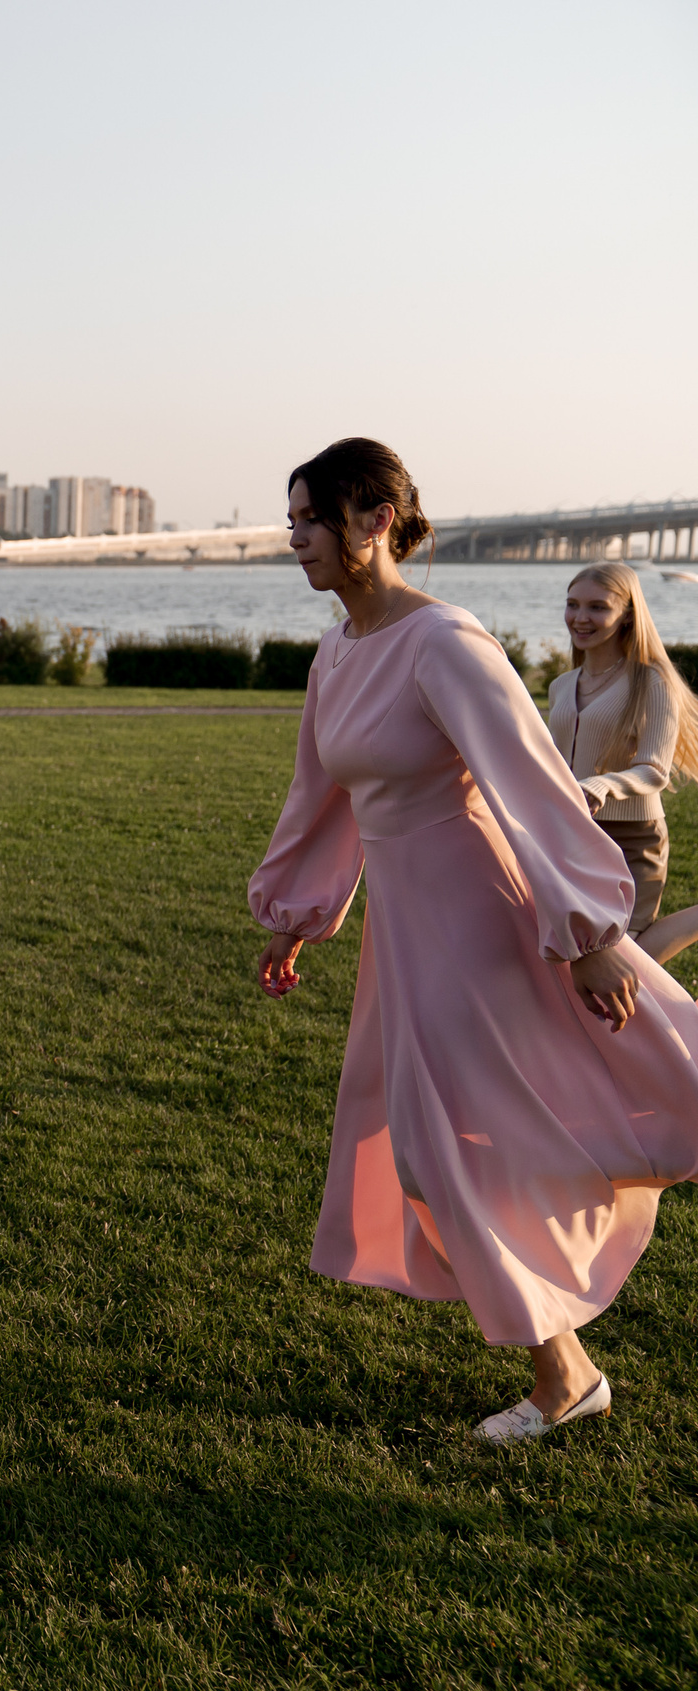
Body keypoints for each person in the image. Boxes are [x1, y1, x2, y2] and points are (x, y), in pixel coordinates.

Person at [250, 438, 698, 1443]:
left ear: (374, 521)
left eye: (311, 519)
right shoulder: (336, 652)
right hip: (408, 931)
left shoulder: (445, 642)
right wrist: (295, 917)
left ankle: (563, 1378)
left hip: (482, 917)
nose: (296, 539)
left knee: (443, 1145)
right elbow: (321, 797)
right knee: (432, 1149)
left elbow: (527, 781)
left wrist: (586, 931)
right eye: (293, 521)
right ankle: (566, 1370)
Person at [543, 561, 698, 935]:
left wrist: (602, 785)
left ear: (627, 614)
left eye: (597, 607)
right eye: (573, 604)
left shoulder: (653, 682)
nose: (580, 617)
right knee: (577, 953)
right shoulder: (561, 685)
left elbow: (655, 770)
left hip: (633, 838)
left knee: (628, 949)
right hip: (570, 834)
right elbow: (552, 762)